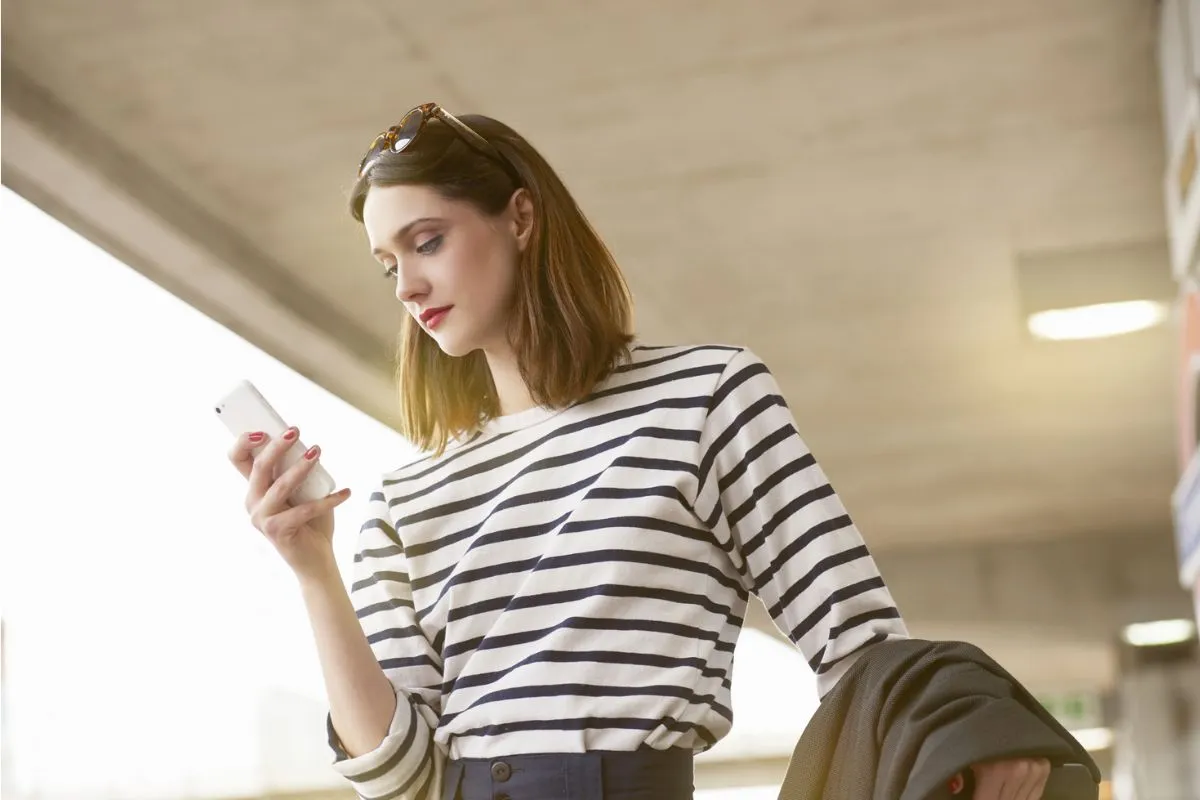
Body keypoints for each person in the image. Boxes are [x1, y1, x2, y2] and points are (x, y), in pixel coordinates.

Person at [227, 103, 1052, 800]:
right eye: (386, 265)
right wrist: (312, 567)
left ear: (519, 216)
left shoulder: (706, 398)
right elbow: (402, 774)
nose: (405, 286)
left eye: (427, 241)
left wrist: (967, 743)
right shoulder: (409, 499)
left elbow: (856, 638)